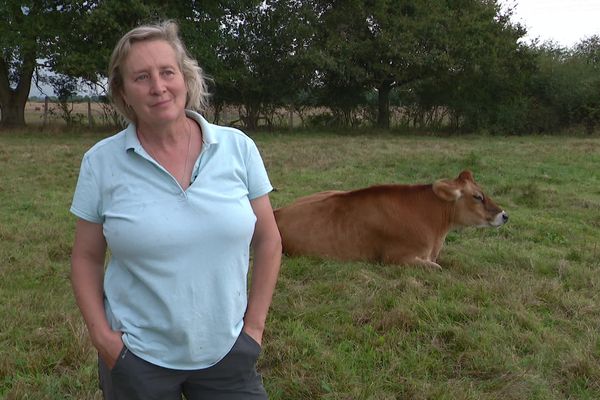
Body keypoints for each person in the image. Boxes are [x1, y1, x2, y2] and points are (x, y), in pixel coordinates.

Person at [69, 20, 282, 400]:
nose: (158, 87)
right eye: (141, 77)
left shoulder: (238, 148)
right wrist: (104, 340)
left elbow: (268, 239)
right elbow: (86, 257)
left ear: (185, 77)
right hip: (137, 359)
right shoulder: (101, 162)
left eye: (168, 72)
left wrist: (254, 328)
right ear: (123, 92)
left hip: (228, 351)